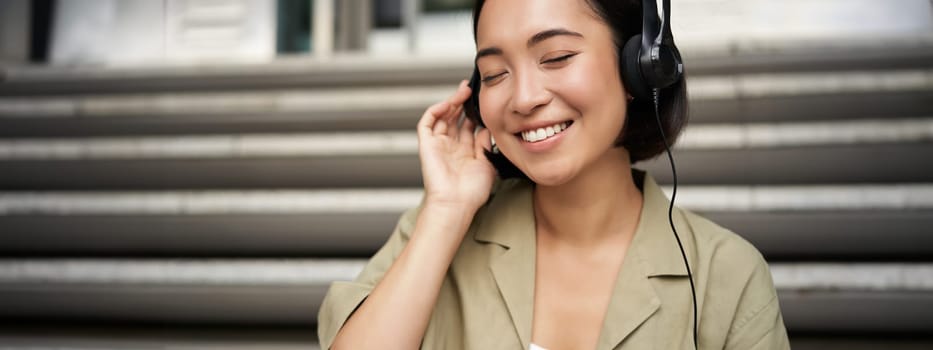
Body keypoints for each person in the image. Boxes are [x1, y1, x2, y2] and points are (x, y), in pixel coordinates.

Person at [318, 0, 790, 349]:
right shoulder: (436, 231)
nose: (523, 99)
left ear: (640, 69)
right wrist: (447, 209)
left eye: (557, 58)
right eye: (495, 73)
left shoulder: (726, 274)